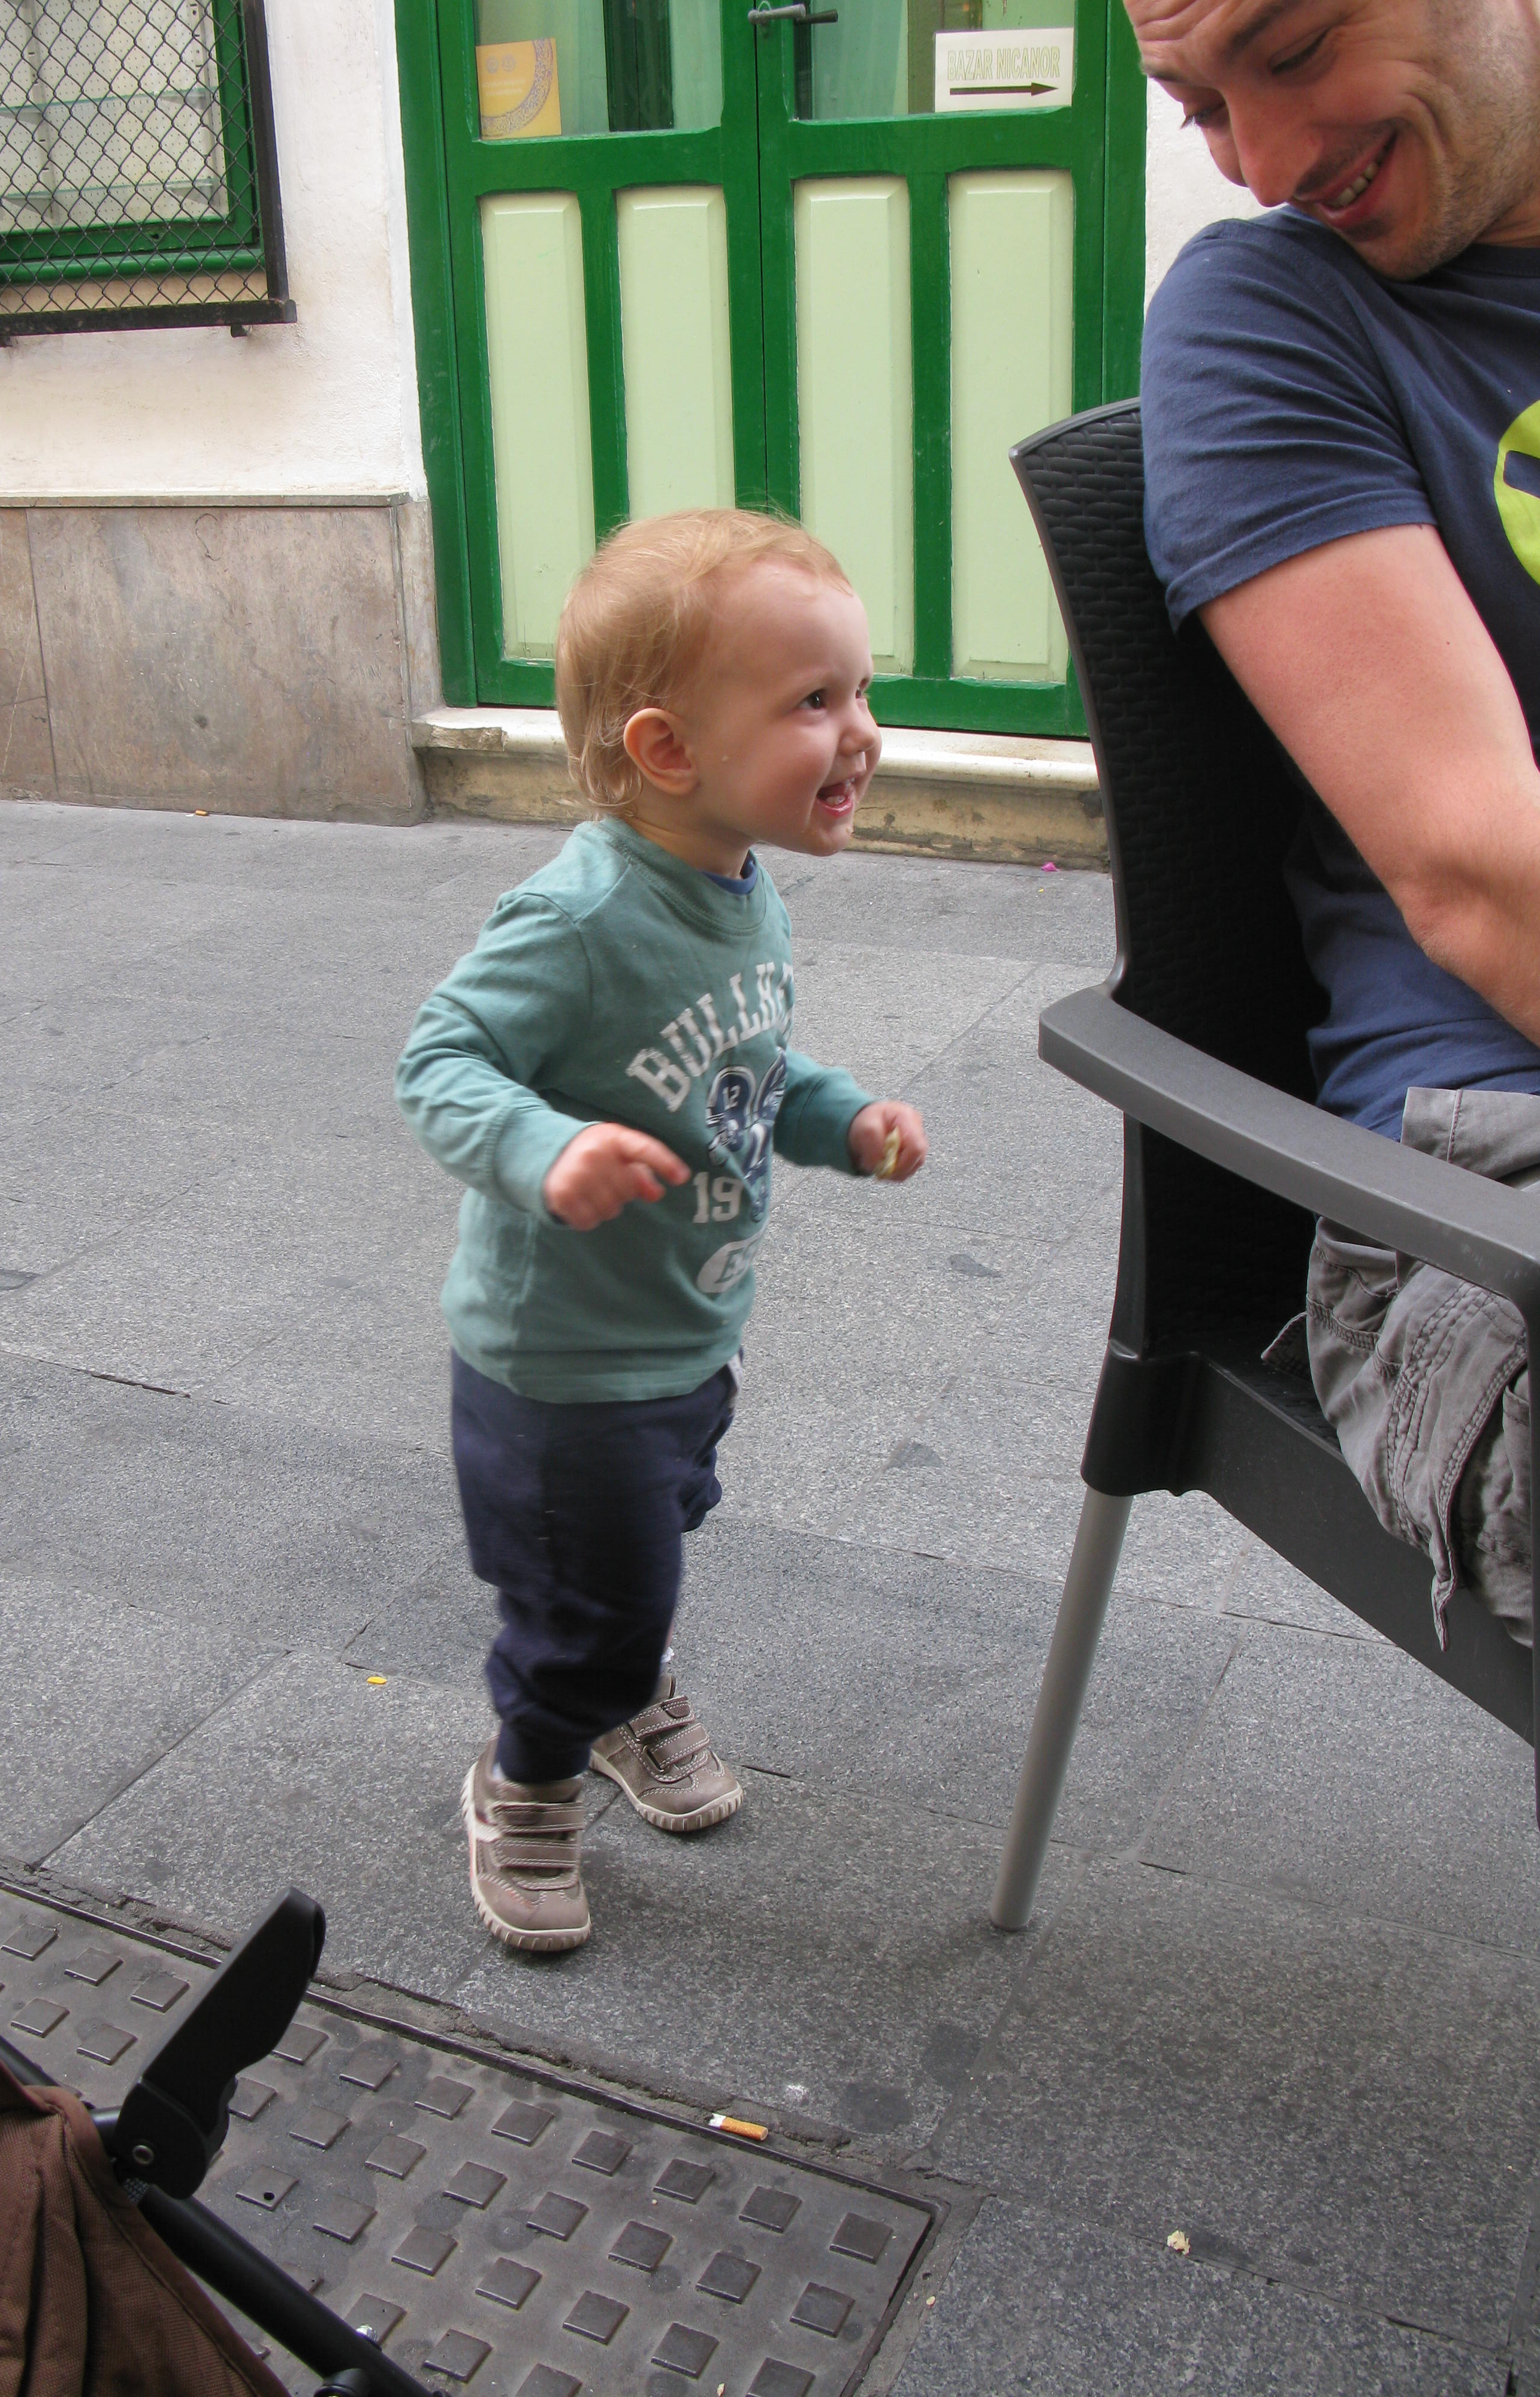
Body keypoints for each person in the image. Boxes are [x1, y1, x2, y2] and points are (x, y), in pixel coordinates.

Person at [395, 511, 928, 1951]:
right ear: (669, 750)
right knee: (588, 1598)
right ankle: (530, 1772)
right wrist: (545, 1146)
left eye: (861, 690)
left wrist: (843, 1118)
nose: (863, 731)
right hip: (562, 1367)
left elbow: (753, 1070)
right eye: (814, 700)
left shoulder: (739, 889)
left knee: (648, 1545)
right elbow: (438, 1061)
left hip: (683, 1330)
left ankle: (619, 1686)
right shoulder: (576, 917)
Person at [1131, 0, 1540, 1646]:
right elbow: (1482, 872)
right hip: (1487, 1177)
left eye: (1295, 51)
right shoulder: (1268, 316)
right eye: (1200, 106)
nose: (1265, 164)